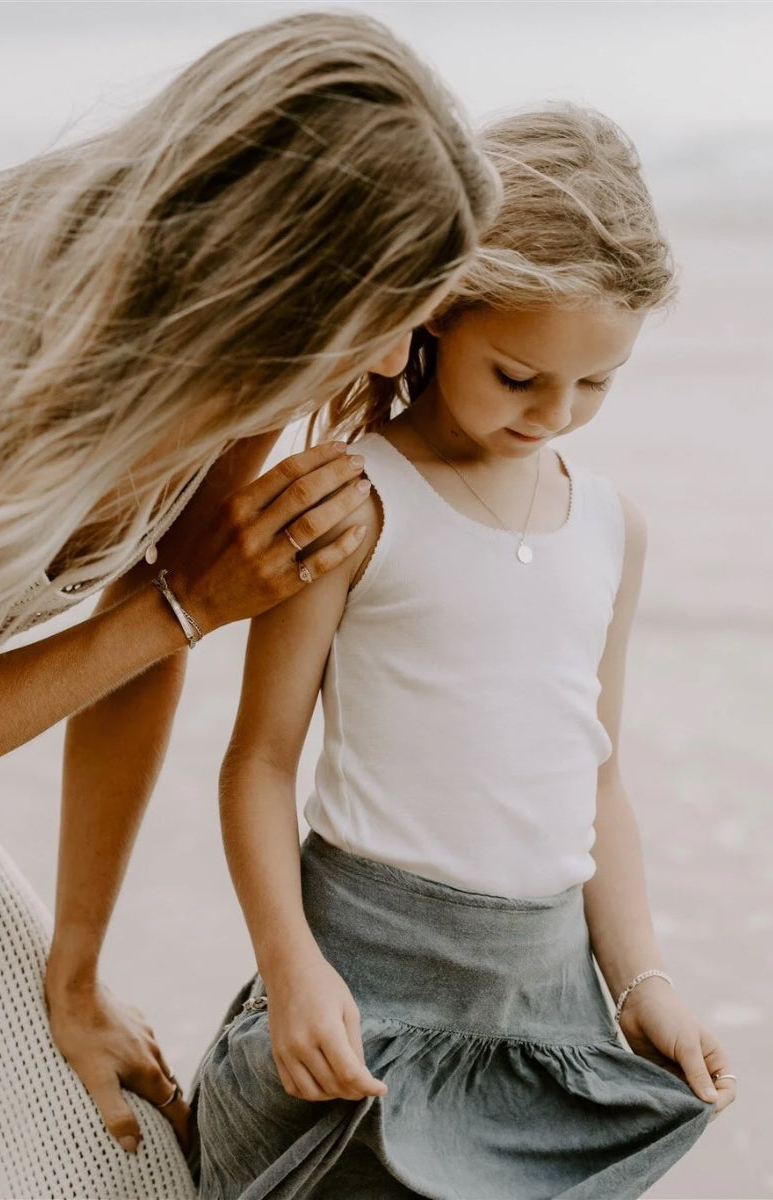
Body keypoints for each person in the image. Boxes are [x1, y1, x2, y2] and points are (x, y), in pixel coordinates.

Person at [0, 11, 499, 1197]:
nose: (391, 359)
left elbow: (154, 601)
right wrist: (179, 611)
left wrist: (78, 966)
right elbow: (164, 610)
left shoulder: (231, 374)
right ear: (283, 276)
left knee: (117, 1165)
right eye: (390, 315)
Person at [193, 104, 736, 1200]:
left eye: (593, 384)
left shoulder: (608, 526)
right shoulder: (352, 501)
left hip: (547, 1013)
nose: (554, 412)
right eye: (517, 375)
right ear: (437, 315)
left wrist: (640, 981)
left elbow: (597, 778)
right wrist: (293, 971)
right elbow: (257, 764)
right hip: (363, 998)